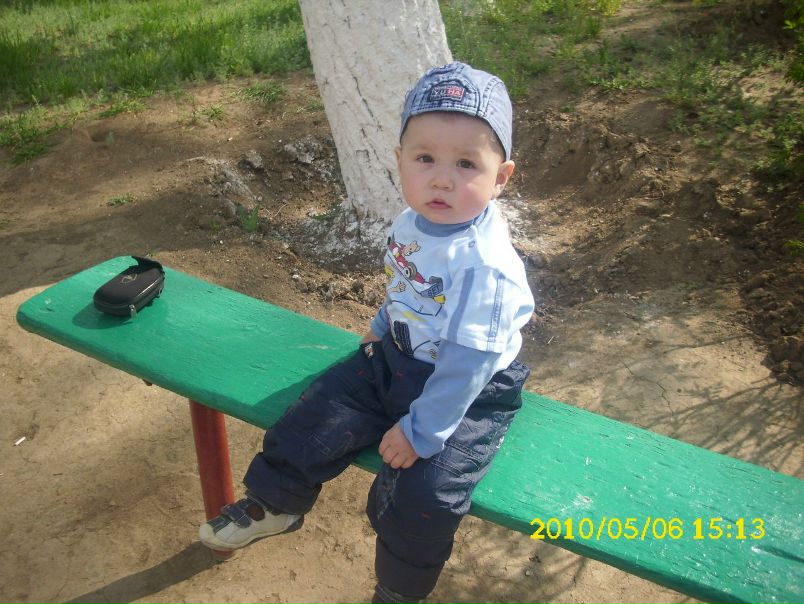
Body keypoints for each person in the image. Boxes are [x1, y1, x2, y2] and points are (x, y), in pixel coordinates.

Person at [199, 62, 535, 604]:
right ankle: (275, 503)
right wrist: (381, 327)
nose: (442, 178)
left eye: (466, 163)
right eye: (425, 158)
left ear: (501, 177)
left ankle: (399, 592)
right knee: (316, 410)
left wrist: (421, 431)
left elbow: (468, 364)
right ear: (399, 160)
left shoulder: (484, 264)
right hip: (397, 356)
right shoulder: (411, 222)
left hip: (467, 391)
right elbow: (406, 286)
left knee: (427, 498)